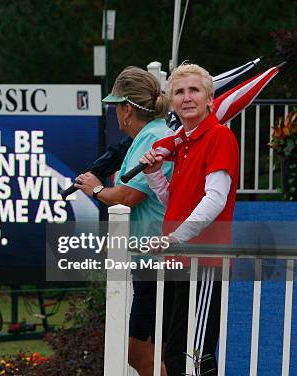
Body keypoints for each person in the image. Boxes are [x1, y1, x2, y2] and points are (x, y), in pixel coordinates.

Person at [140, 63, 239, 376]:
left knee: (194, 355)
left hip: (203, 261)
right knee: (174, 352)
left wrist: (175, 238)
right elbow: (177, 205)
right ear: (171, 102)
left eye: (194, 90)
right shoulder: (183, 143)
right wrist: (154, 175)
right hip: (178, 259)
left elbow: (216, 200)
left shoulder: (219, 136)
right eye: (179, 92)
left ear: (209, 99)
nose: (186, 97)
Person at [74, 66, 172, 376]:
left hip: (155, 256)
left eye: (117, 106)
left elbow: (130, 197)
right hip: (153, 256)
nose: (116, 113)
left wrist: (96, 189)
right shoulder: (150, 135)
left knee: (138, 353)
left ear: (126, 110)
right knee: (155, 353)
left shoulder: (152, 138)